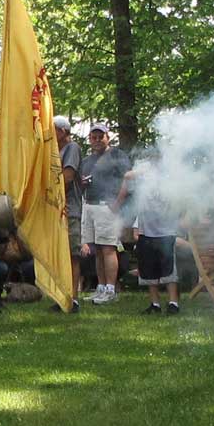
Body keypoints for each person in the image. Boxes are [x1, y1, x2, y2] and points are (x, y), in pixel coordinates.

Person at [119, 163, 182, 314]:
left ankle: (173, 303)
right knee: (148, 272)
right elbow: (127, 176)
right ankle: (155, 305)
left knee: (169, 272)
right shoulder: (141, 185)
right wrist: (143, 170)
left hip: (166, 233)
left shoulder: (169, 186)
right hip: (145, 233)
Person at [79, 123, 131, 305]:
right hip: (90, 205)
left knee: (108, 248)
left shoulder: (117, 155)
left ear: (107, 137)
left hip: (106, 207)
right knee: (97, 251)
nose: (97, 140)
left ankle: (111, 289)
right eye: (93, 137)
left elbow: (129, 178)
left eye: (100, 136)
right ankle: (100, 288)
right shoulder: (86, 161)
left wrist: (117, 203)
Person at [54, 116, 83, 311]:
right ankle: (61, 296)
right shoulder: (55, 150)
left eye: (53, 129)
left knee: (72, 256)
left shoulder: (72, 148)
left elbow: (68, 176)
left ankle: (73, 298)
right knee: (60, 255)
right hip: (58, 209)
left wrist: (48, 190)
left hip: (70, 209)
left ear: (63, 131)